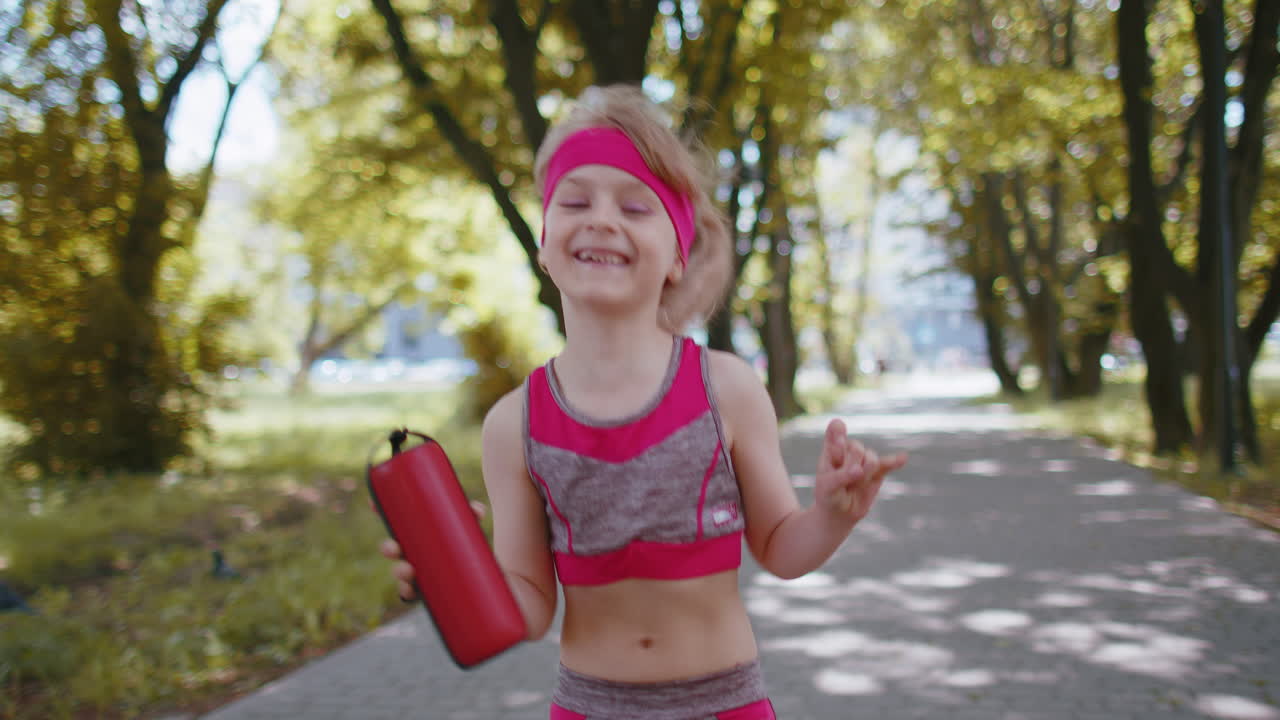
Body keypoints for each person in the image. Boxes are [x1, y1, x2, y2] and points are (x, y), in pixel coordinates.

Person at [380, 84, 907, 719]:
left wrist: (833, 514)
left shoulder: (727, 389)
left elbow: (780, 547)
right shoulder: (514, 424)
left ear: (679, 255)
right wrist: (450, 576)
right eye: (575, 202)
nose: (602, 219)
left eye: (635, 208)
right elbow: (530, 607)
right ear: (545, 244)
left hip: (727, 706)